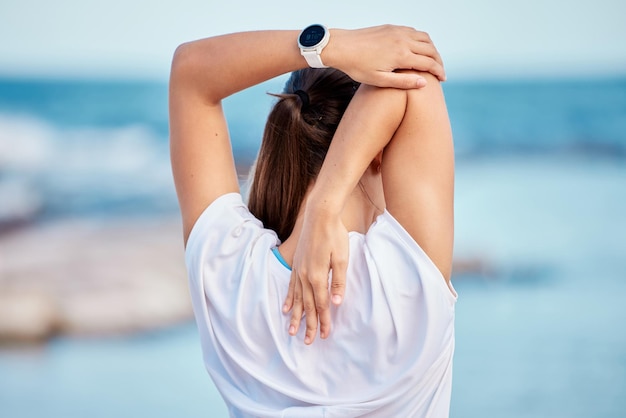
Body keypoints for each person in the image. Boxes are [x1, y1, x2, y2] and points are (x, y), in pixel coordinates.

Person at [170, 24, 456, 417]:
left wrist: (329, 47)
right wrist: (327, 203)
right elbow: (415, 76)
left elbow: (191, 72)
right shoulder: (407, 281)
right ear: (378, 151)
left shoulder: (226, 273)